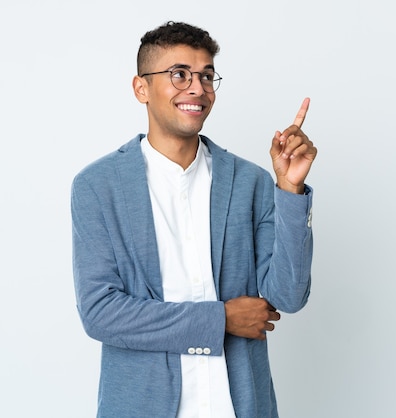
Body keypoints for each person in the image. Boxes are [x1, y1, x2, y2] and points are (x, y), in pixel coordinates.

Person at [71, 21, 317, 418]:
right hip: (141, 406)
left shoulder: (250, 181)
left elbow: (288, 295)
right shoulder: (99, 186)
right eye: (179, 74)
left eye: (206, 76)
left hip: (241, 406)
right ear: (141, 88)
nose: (197, 88)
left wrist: (289, 191)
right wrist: (220, 318)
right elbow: (101, 313)